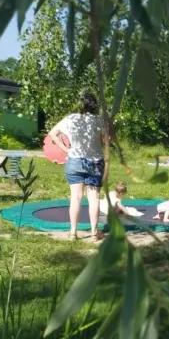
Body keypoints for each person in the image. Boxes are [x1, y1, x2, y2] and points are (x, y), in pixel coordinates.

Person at [48, 90, 107, 240]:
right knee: (94, 198)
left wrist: (65, 149)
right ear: (95, 105)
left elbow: (53, 133)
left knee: (76, 197)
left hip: (74, 161)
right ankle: (94, 233)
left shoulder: (71, 119)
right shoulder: (99, 120)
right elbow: (106, 141)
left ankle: (73, 233)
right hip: (95, 162)